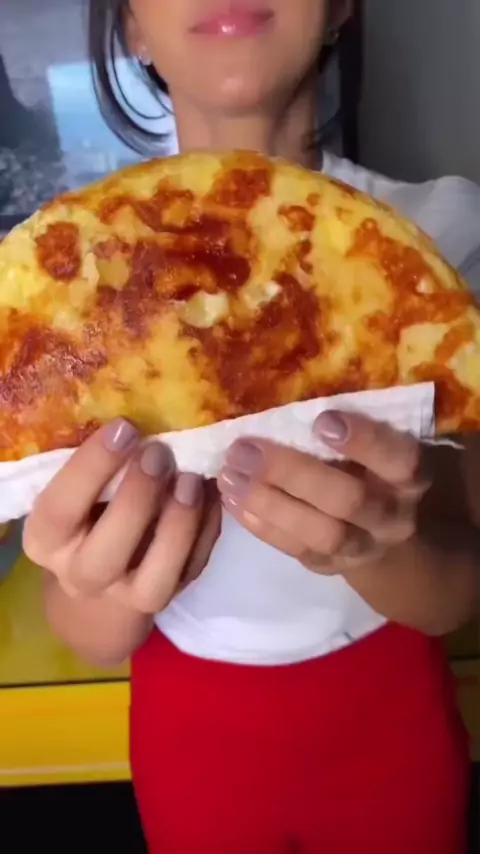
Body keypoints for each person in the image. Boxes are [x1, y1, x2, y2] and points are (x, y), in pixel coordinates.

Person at [23, 1, 480, 851]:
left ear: (340, 5)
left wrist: (379, 548)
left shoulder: (441, 244)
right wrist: (110, 583)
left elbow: (460, 585)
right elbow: (85, 631)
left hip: (390, 722)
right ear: (132, 27)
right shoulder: (72, 284)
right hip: (189, 733)